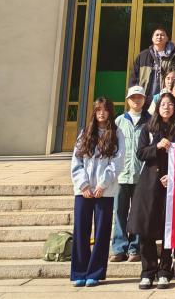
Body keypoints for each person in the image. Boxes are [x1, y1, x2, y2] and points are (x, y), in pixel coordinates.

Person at [128, 92, 175, 289]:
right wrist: (157, 146)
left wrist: (173, 176)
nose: (167, 107)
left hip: (172, 185)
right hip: (149, 185)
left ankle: (164, 272)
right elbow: (140, 153)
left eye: (170, 104)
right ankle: (147, 272)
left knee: (168, 230)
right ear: (157, 107)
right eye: (163, 104)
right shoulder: (149, 127)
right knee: (146, 229)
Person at [70, 97, 121, 288]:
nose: (102, 113)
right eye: (98, 110)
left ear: (110, 112)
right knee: (81, 230)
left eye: (105, 110)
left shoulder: (116, 134)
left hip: (104, 191)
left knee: (102, 232)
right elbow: (76, 161)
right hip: (83, 191)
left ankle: (95, 272)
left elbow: (117, 162)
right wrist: (83, 185)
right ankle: (79, 272)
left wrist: (102, 184)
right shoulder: (85, 133)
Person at [111, 86, 151, 264]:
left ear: (144, 99)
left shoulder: (150, 121)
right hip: (121, 175)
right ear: (127, 100)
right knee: (119, 212)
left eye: (139, 97)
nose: (136, 100)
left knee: (138, 213)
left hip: (141, 175)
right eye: (133, 97)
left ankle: (135, 247)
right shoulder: (119, 121)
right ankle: (119, 248)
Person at [130, 27, 175, 99]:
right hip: (144, 97)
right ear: (152, 38)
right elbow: (134, 76)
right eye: (157, 35)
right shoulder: (143, 55)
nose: (159, 37)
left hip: (166, 98)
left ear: (167, 38)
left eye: (162, 35)